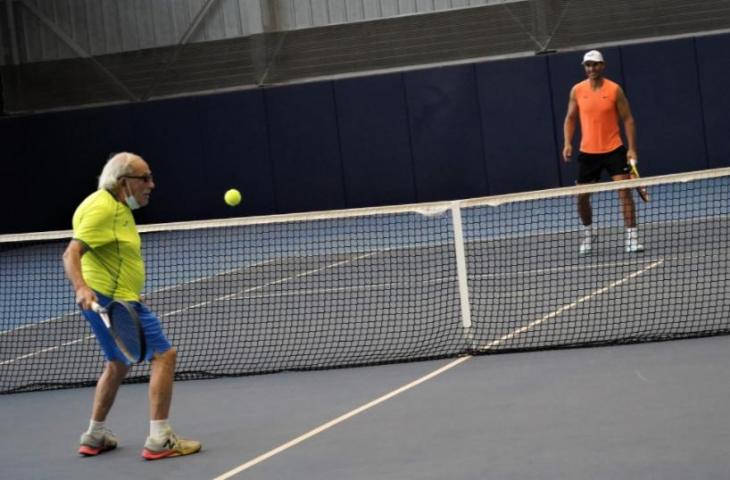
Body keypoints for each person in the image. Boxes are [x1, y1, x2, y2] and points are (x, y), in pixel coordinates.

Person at [62, 152, 201, 460]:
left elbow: (112, 255)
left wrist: (129, 289)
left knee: (117, 363)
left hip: (112, 297)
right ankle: (159, 438)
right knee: (165, 355)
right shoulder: (103, 210)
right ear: (123, 182)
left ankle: (95, 434)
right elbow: (71, 253)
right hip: (110, 300)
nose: (151, 184)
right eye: (145, 178)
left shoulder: (111, 205)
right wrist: (82, 287)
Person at [562, 49, 644, 255]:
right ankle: (589, 234)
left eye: (595, 64)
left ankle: (632, 238)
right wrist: (567, 143)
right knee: (581, 198)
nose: (592, 68)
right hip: (588, 154)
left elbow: (628, 119)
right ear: (585, 68)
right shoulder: (577, 91)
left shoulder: (615, 89)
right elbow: (570, 118)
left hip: (614, 150)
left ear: (603, 66)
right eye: (588, 65)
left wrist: (632, 148)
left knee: (624, 192)